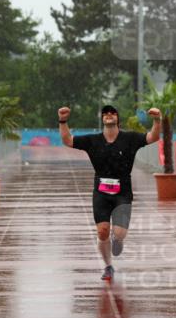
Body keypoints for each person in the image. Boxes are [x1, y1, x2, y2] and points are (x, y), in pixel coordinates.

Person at [59, 104, 160, 281]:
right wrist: (63, 120)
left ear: (117, 118)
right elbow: (68, 140)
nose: (109, 115)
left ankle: (118, 240)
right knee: (103, 231)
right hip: (101, 192)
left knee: (119, 234)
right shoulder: (93, 140)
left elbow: (153, 137)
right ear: (102, 119)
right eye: (105, 113)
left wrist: (157, 120)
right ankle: (108, 266)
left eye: (113, 112)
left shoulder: (130, 138)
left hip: (123, 191)